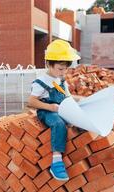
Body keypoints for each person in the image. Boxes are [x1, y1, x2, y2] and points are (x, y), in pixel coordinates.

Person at [28, 39, 81, 181]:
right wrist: (50, 107)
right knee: (58, 123)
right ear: (48, 64)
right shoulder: (41, 82)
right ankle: (56, 161)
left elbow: (68, 98)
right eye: (60, 68)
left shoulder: (61, 81)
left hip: (61, 109)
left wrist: (82, 100)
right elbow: (31, 101)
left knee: (75, 121)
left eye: (66, 69)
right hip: (47, 111)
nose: (63, 72)